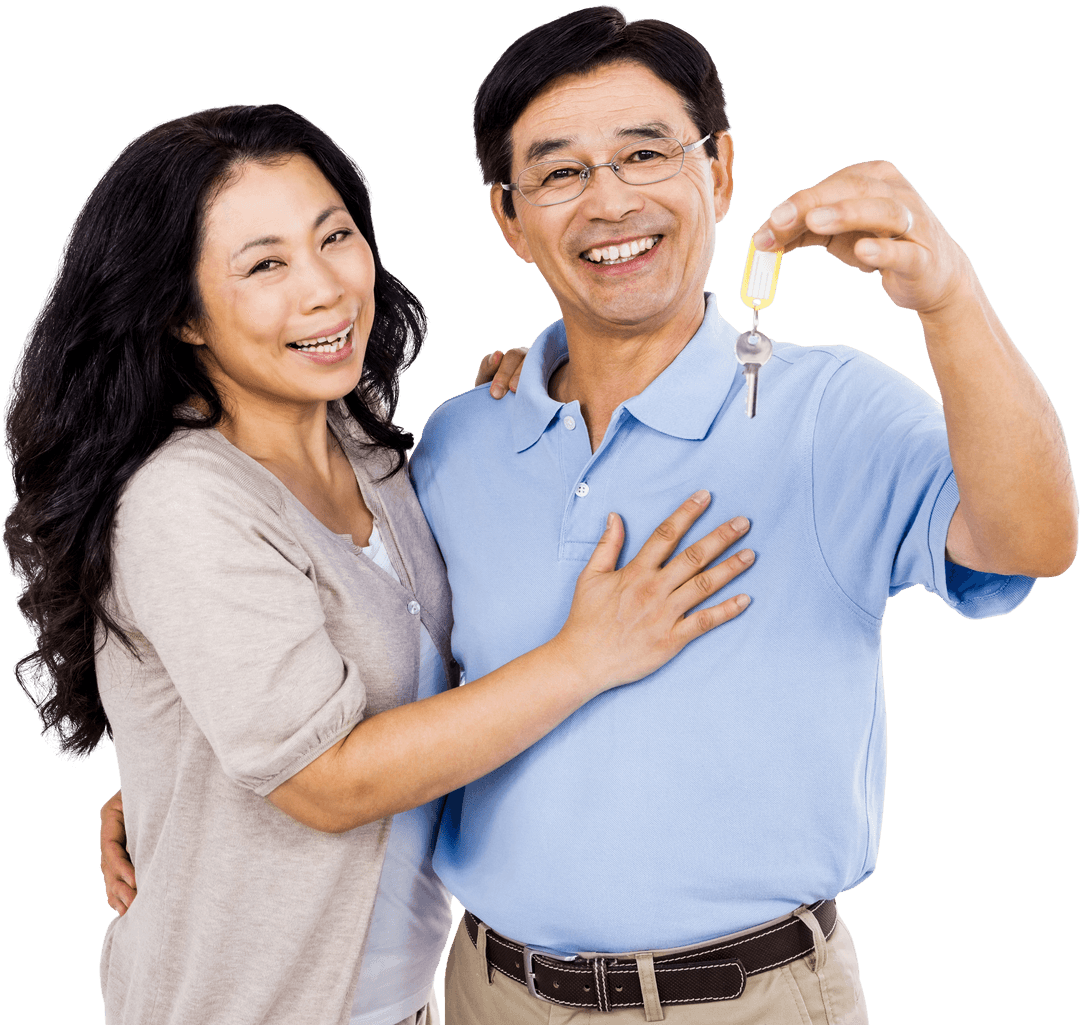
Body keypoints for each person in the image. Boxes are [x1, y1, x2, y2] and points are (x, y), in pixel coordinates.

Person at [4, 103, 760, 1025]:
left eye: (335, 238)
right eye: (265, 265)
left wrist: (548, 385)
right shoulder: (185, 500)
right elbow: (331, 779)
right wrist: (590, 654)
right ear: (182, 314)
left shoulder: (364, 443)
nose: (324, 289)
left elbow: (398, 653)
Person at [402, 7, 1074, 1024]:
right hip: (491, 990)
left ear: (718, 171)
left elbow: (1034, 538)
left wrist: (949, 297)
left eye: (644, 153)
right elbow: (380, 675)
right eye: (560, 172)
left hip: (750, 1001)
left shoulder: (832, 408)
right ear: (509, 216)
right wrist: (190, 787)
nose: (609, 201)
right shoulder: (460, 439)